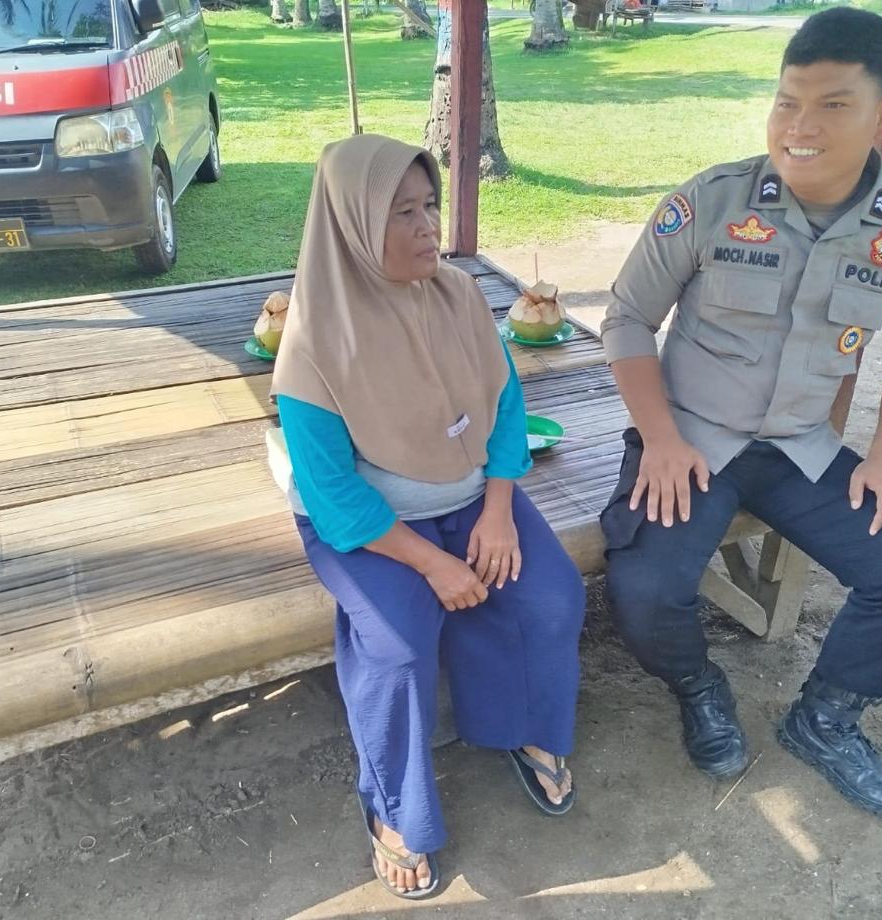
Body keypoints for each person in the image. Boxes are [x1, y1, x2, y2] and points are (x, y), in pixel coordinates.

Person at [599, 7, 882, 818]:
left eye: (832, 105)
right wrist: (658, 438)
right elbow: (626, 320)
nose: (800, 127)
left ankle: (825, 718)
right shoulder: (711, 202)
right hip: (691, 438)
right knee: (647, 587)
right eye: (787, 102)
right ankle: (698, 686)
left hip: (801, 448)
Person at [270, 134, 585, 899]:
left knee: (550, 596)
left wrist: (499, 509)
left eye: (430, 205)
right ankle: (396, 807)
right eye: (401, 212)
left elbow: (505, 406)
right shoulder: (312, 346)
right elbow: (335, 497)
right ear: (352, 226)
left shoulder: (460, 295)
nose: (427, 227)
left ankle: (520, 728)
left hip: (472, 495)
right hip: (371, 526)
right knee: (399, 642)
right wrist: (432, 562)